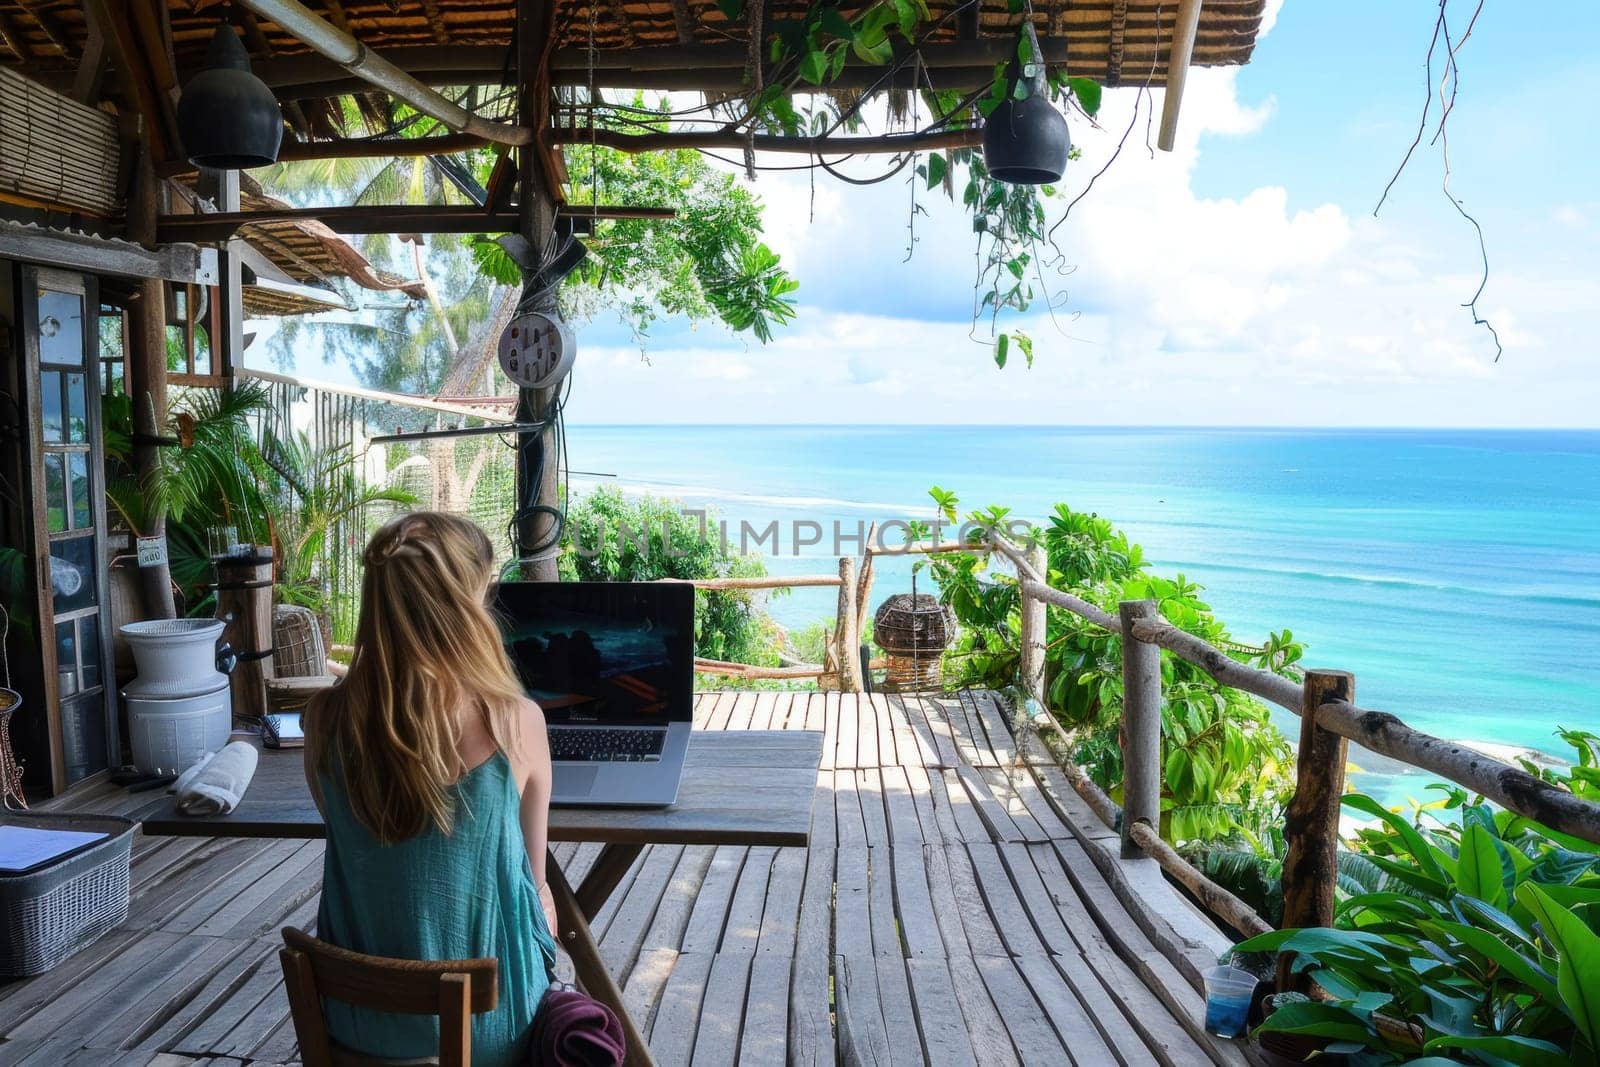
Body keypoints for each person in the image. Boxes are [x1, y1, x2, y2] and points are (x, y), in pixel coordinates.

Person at [305, 512, 558, 1066]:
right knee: (543, 902)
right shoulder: (515, 721)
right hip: (488, 1031)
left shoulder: (323, 720)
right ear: (466, 608)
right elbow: (532, 888)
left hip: (356, 1020)